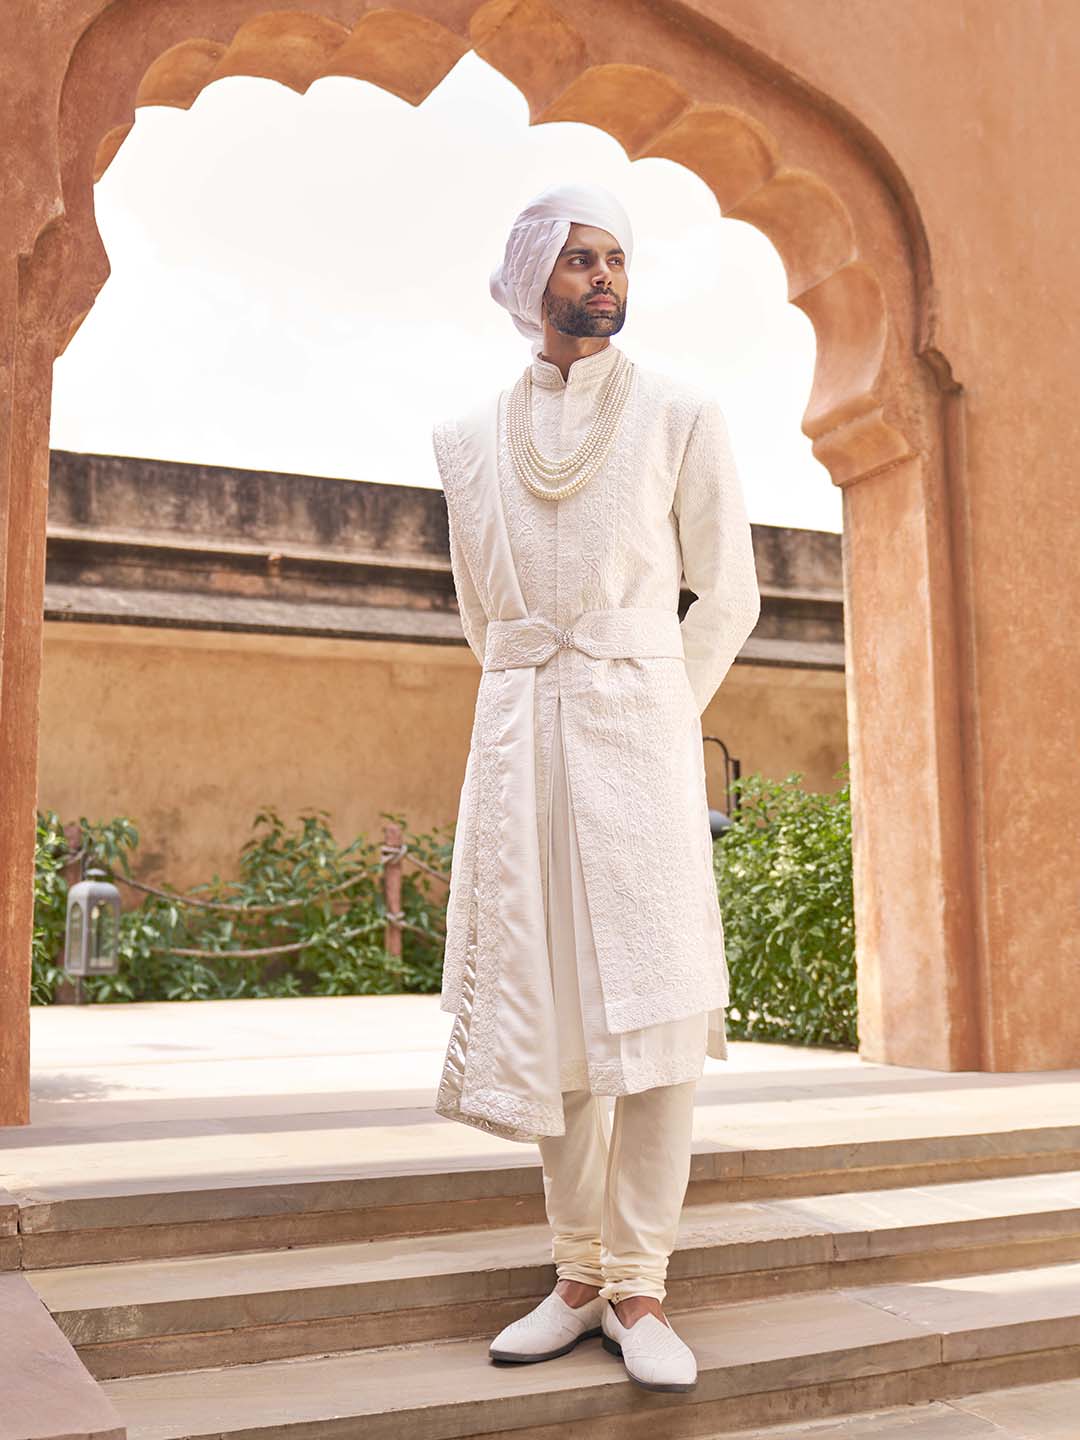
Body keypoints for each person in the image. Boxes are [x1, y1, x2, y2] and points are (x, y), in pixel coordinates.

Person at [430, 182, 761, 1393]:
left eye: (617, 258)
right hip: (523, 742)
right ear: (532, 279)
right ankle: (576, 1276)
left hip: (639, 731)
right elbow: (480, 612)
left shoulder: (680, 411)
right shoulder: (468, 441)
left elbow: (728, 591)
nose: (605, 278)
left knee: (659, 1017)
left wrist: (654, 703)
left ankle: (645, 1285)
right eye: (580, 259)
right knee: (555, 1013)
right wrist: (543, 695)